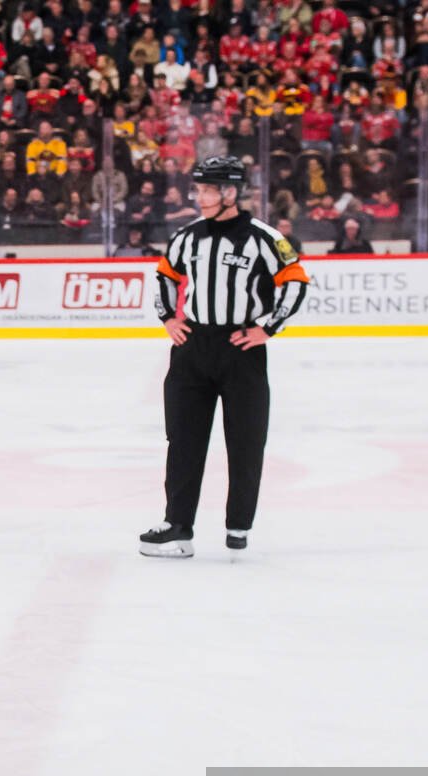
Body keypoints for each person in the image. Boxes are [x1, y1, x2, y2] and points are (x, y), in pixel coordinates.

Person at [140, 155, 308, 559]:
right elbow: (165, 274)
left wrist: (266, 328)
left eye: (208, 189)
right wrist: (168, 318)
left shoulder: (265, 238)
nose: (200, 196)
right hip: (193, 350)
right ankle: (178, 526)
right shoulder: (187, 236)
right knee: (182, 440)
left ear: (231, 192)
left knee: (246, 442)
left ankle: (238, 526)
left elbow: (296, 282)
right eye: (199, 189)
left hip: (240, 352)